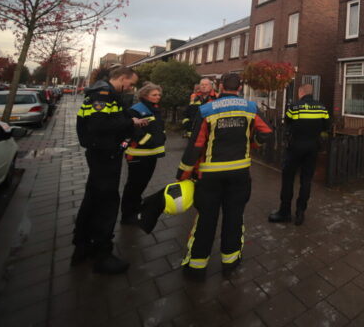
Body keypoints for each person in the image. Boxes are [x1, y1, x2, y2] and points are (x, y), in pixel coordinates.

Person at [176, 73, 272, 281]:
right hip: (239, 174)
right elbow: (266, 132)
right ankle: (230, 262)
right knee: (234, 216)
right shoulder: (251, 108)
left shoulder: (206, 109)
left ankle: (196, 266)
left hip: (210, 175)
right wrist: (252, 143)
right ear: (240, 87)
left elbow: (196, 145)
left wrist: (183, 173)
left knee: (206, 219)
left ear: (219, 86)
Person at [73, 66, 149, 274]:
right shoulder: (103, 95)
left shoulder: (104, 94)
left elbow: (105, 120)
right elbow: (99, 125)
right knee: (107, 203)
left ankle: (82, 245)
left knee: (92, 198)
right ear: (122, 78)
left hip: (104, 154)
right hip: (105, 156)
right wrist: (129, 124)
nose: (131, 88)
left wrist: (128, 122)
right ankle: (102, 255)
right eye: (131, 83)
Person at [268, 83, 330, 226]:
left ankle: (284, 212)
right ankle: (300, 212)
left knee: (288, 178)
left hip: (295, 147)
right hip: (312, 147)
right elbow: (327, 126)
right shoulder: (322, 107)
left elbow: (288, 123)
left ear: (301, 92)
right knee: (306, 180)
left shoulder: (294, 107)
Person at [120, 82, 166, 225]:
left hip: (151, 155)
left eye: (159, 94)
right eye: (154, 94)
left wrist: (161, 137)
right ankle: (127, 216)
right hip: (138, 155)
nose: (158, 97)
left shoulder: (154, 108)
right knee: (134, 186)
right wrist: (150, 141)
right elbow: (134, 131)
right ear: (145, 95)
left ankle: (136, 208)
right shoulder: (136, 110)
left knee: (142, 184)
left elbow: (158, 128)